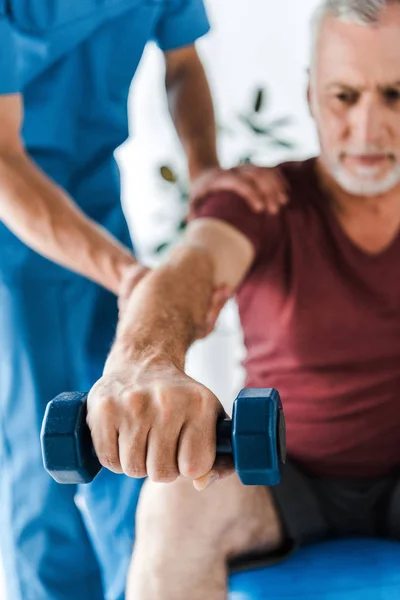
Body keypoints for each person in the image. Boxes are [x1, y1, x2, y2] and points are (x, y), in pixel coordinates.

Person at [87, 0, 400, 598]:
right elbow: (189, 269)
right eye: (344, 96)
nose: (367, 128)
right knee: (176, 497)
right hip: (279, 479)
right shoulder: (260, 201)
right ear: (312, 95)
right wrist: (144, 360)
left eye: (395, 94)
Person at [0, 1, 286, 599]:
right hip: (18, 227)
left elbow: (183, 66)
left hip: (97, 202)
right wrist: (129, 275)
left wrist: (205, 171)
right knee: (47, 451)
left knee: (130, 429)